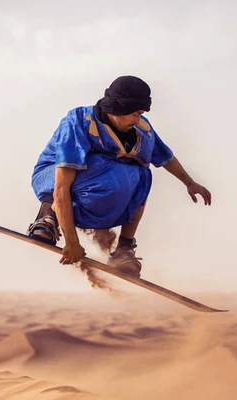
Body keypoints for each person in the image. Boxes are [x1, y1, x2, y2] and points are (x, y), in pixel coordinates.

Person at [26, 75, 212, 277]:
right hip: (54, 179)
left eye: (140, 114)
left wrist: (190, 183)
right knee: (101, 164)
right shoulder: (79, 122)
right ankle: (48, 218)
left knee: (142, 175)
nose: (137, 119)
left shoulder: (142, 129)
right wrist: (72, 243)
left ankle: (124, 249)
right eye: (134, 114)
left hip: (99, 186)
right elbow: (61, 188)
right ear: (117, 109)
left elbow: (165, 157)